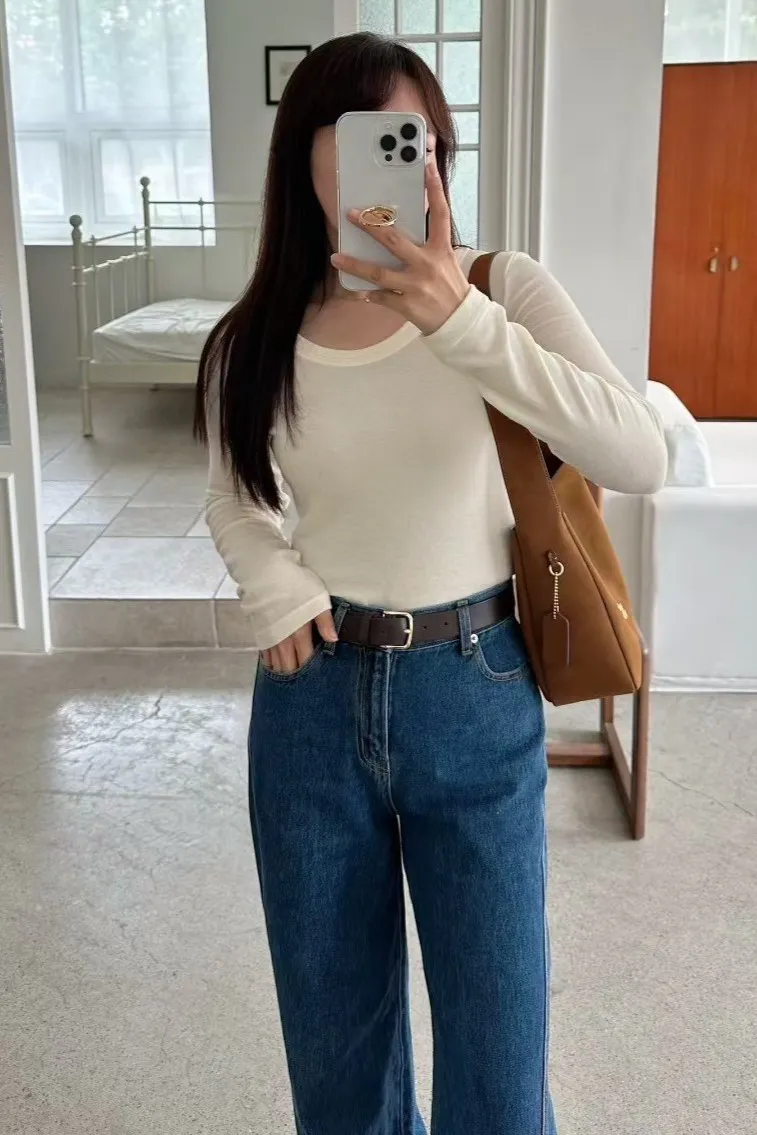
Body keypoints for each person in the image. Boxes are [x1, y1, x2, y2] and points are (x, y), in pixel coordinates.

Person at [195, 32, 667, 1135]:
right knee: (336, 1057)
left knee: (499, 1063)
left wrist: (458, 319)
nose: (395, 155)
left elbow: (637, 454)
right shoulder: (255, 336)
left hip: (475, 681)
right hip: (311, 702)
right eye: (366, 131)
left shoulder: (503, 291)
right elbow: (234, 498)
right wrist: (274, 585)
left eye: (414, 136)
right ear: (305, 153)